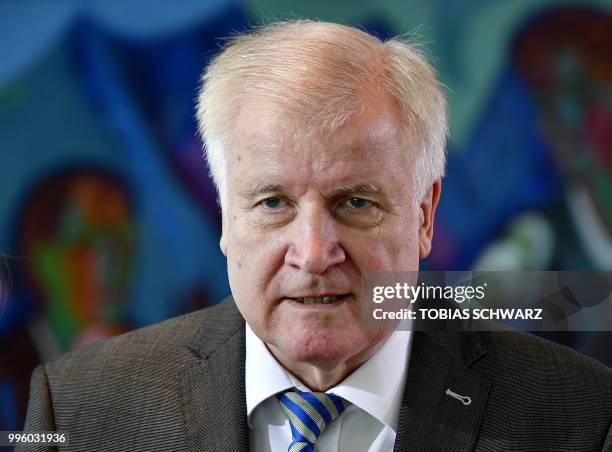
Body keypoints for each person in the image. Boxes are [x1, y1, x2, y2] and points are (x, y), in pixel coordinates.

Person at [21, 20, 612, 451]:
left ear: (425, 217)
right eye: (273, 203)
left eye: (355, 203)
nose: (313, 253)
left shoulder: (581, 416)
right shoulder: (78, 410)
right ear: (226, 216)